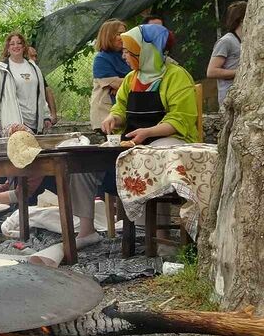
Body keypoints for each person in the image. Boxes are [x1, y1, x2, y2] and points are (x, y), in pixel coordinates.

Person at [65, 24, 199, 248]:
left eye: (128, 52)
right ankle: (87, 230)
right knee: (83, 166)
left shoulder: (177, 76)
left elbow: (181, 118)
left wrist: (149, 132)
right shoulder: (131, 78)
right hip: (132, 142)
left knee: (154, 157)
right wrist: (114, 118)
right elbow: (120, 107)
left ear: (145, 52)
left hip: (165, 140)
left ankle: (161, 239)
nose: (124, 56)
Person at [0, 33, 52, 137]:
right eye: (12, 44)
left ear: (24, 47)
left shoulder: (34, 68)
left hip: (35, 122)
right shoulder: (1, 69)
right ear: (8, 48)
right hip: (13, 123)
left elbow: (41, 95)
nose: (16, 46)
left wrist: (46, 116)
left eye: (19, 43)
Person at [89, 19, 131, 132]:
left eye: (125, 33)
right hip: (106, 115)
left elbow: (126, 84)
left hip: (123, 112)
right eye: (119, 34)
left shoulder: (127, 54)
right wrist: (124, 84)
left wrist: (123, 84)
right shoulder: (101, 58)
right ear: (108, 36)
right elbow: (119, 84)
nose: (123, 36)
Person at [207, 1, 247, 106]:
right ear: (242, 19)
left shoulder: (247, 41)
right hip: (229, 100)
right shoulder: (226, 41)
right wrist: (241, 72)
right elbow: (211, 72)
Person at [28, 46, 58, 125]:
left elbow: (47, 90)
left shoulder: (37, 71)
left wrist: (53, 114)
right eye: (31, 56)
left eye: (35, 56)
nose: (34, 59)